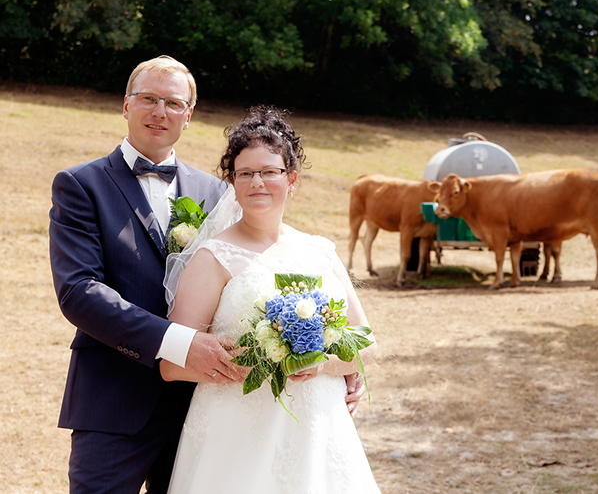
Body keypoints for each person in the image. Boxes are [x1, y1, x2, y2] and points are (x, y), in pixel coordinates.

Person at [49, 56, 364, 494]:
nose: (160, 112)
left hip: (206, 407)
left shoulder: (217, 191)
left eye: (174, 103)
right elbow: (79, 292)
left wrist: (333, 358)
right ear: (126, 105)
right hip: (115, 401)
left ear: (188, 115)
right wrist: (181, 343)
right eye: (148, 99)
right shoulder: (81, 185)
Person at [160, 105, 381, 493]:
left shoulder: (321, 251)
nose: (256, 182)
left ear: (291, 179)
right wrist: (247, 365)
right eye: (245, 173)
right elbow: (171, 365)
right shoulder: (213, 257)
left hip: (319, 429)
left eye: (269, 172)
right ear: (232, 181)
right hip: (236, 434)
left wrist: (323, 365)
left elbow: (367, 344)